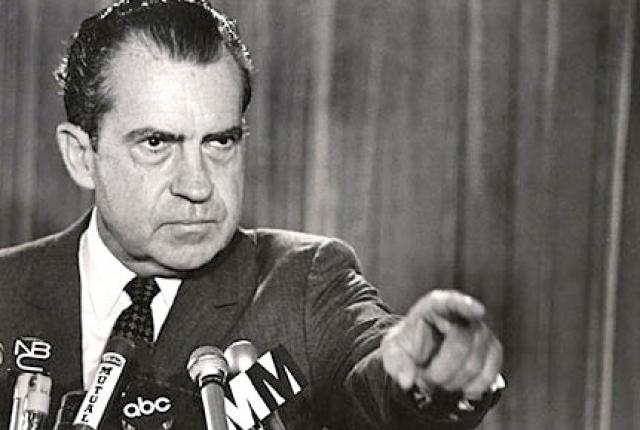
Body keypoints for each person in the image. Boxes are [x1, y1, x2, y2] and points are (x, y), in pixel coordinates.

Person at [0, 1, 504, 429]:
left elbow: (374, 372)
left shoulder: (303, 283)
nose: (197, 186)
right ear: (81, 156)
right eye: (156, 143)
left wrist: (422, 369)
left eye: (219, 142)